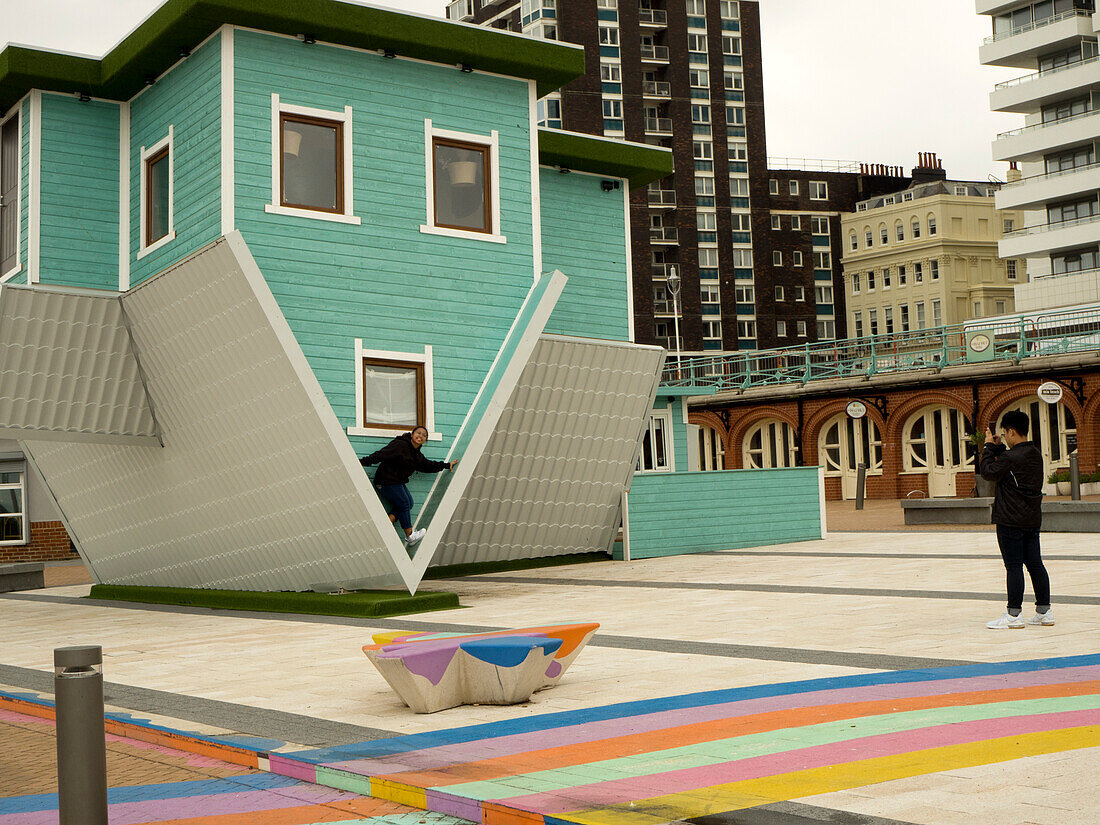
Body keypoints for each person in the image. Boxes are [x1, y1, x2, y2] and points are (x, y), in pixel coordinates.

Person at [979, 410, 1052, 629]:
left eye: (1005, 433)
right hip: (1031, 518)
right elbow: (1009, 464)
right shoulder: (1034, 453)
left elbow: (988, 471)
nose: (1005, 436)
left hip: (1010, 519)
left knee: (1013, 566)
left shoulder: (1010, 458)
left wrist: (988, 447)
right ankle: (1044, 611)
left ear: (1011, 431)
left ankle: (1013, 615)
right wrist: (999, 447)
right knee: (1035, 564)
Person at [360, 426, 455, 547]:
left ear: (425, 440)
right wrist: (361, 462)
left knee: (409, 503)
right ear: (412, 434)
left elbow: (428, 465)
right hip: (384, 481)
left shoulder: (417, 455)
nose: (420, 436)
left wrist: (447, 465)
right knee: (404, 502)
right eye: (418, 433)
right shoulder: (400, 445)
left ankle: (386, 523)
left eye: (424, 435)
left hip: (396, 482)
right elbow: (380, 455)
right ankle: (410, 536)